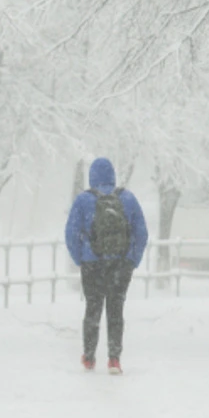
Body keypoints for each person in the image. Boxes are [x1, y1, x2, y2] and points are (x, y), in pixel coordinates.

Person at [63, 157, 149, 373]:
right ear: (113, 175)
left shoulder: (83, 200)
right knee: (115, 310)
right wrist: (132, 260)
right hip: (120, 264)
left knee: (93, 308)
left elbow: (71, 233)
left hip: (92, 263)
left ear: (92, 176)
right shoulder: (127, 198)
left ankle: (89, 357)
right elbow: (141, 232)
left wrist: (80, 259)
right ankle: (114, 359)